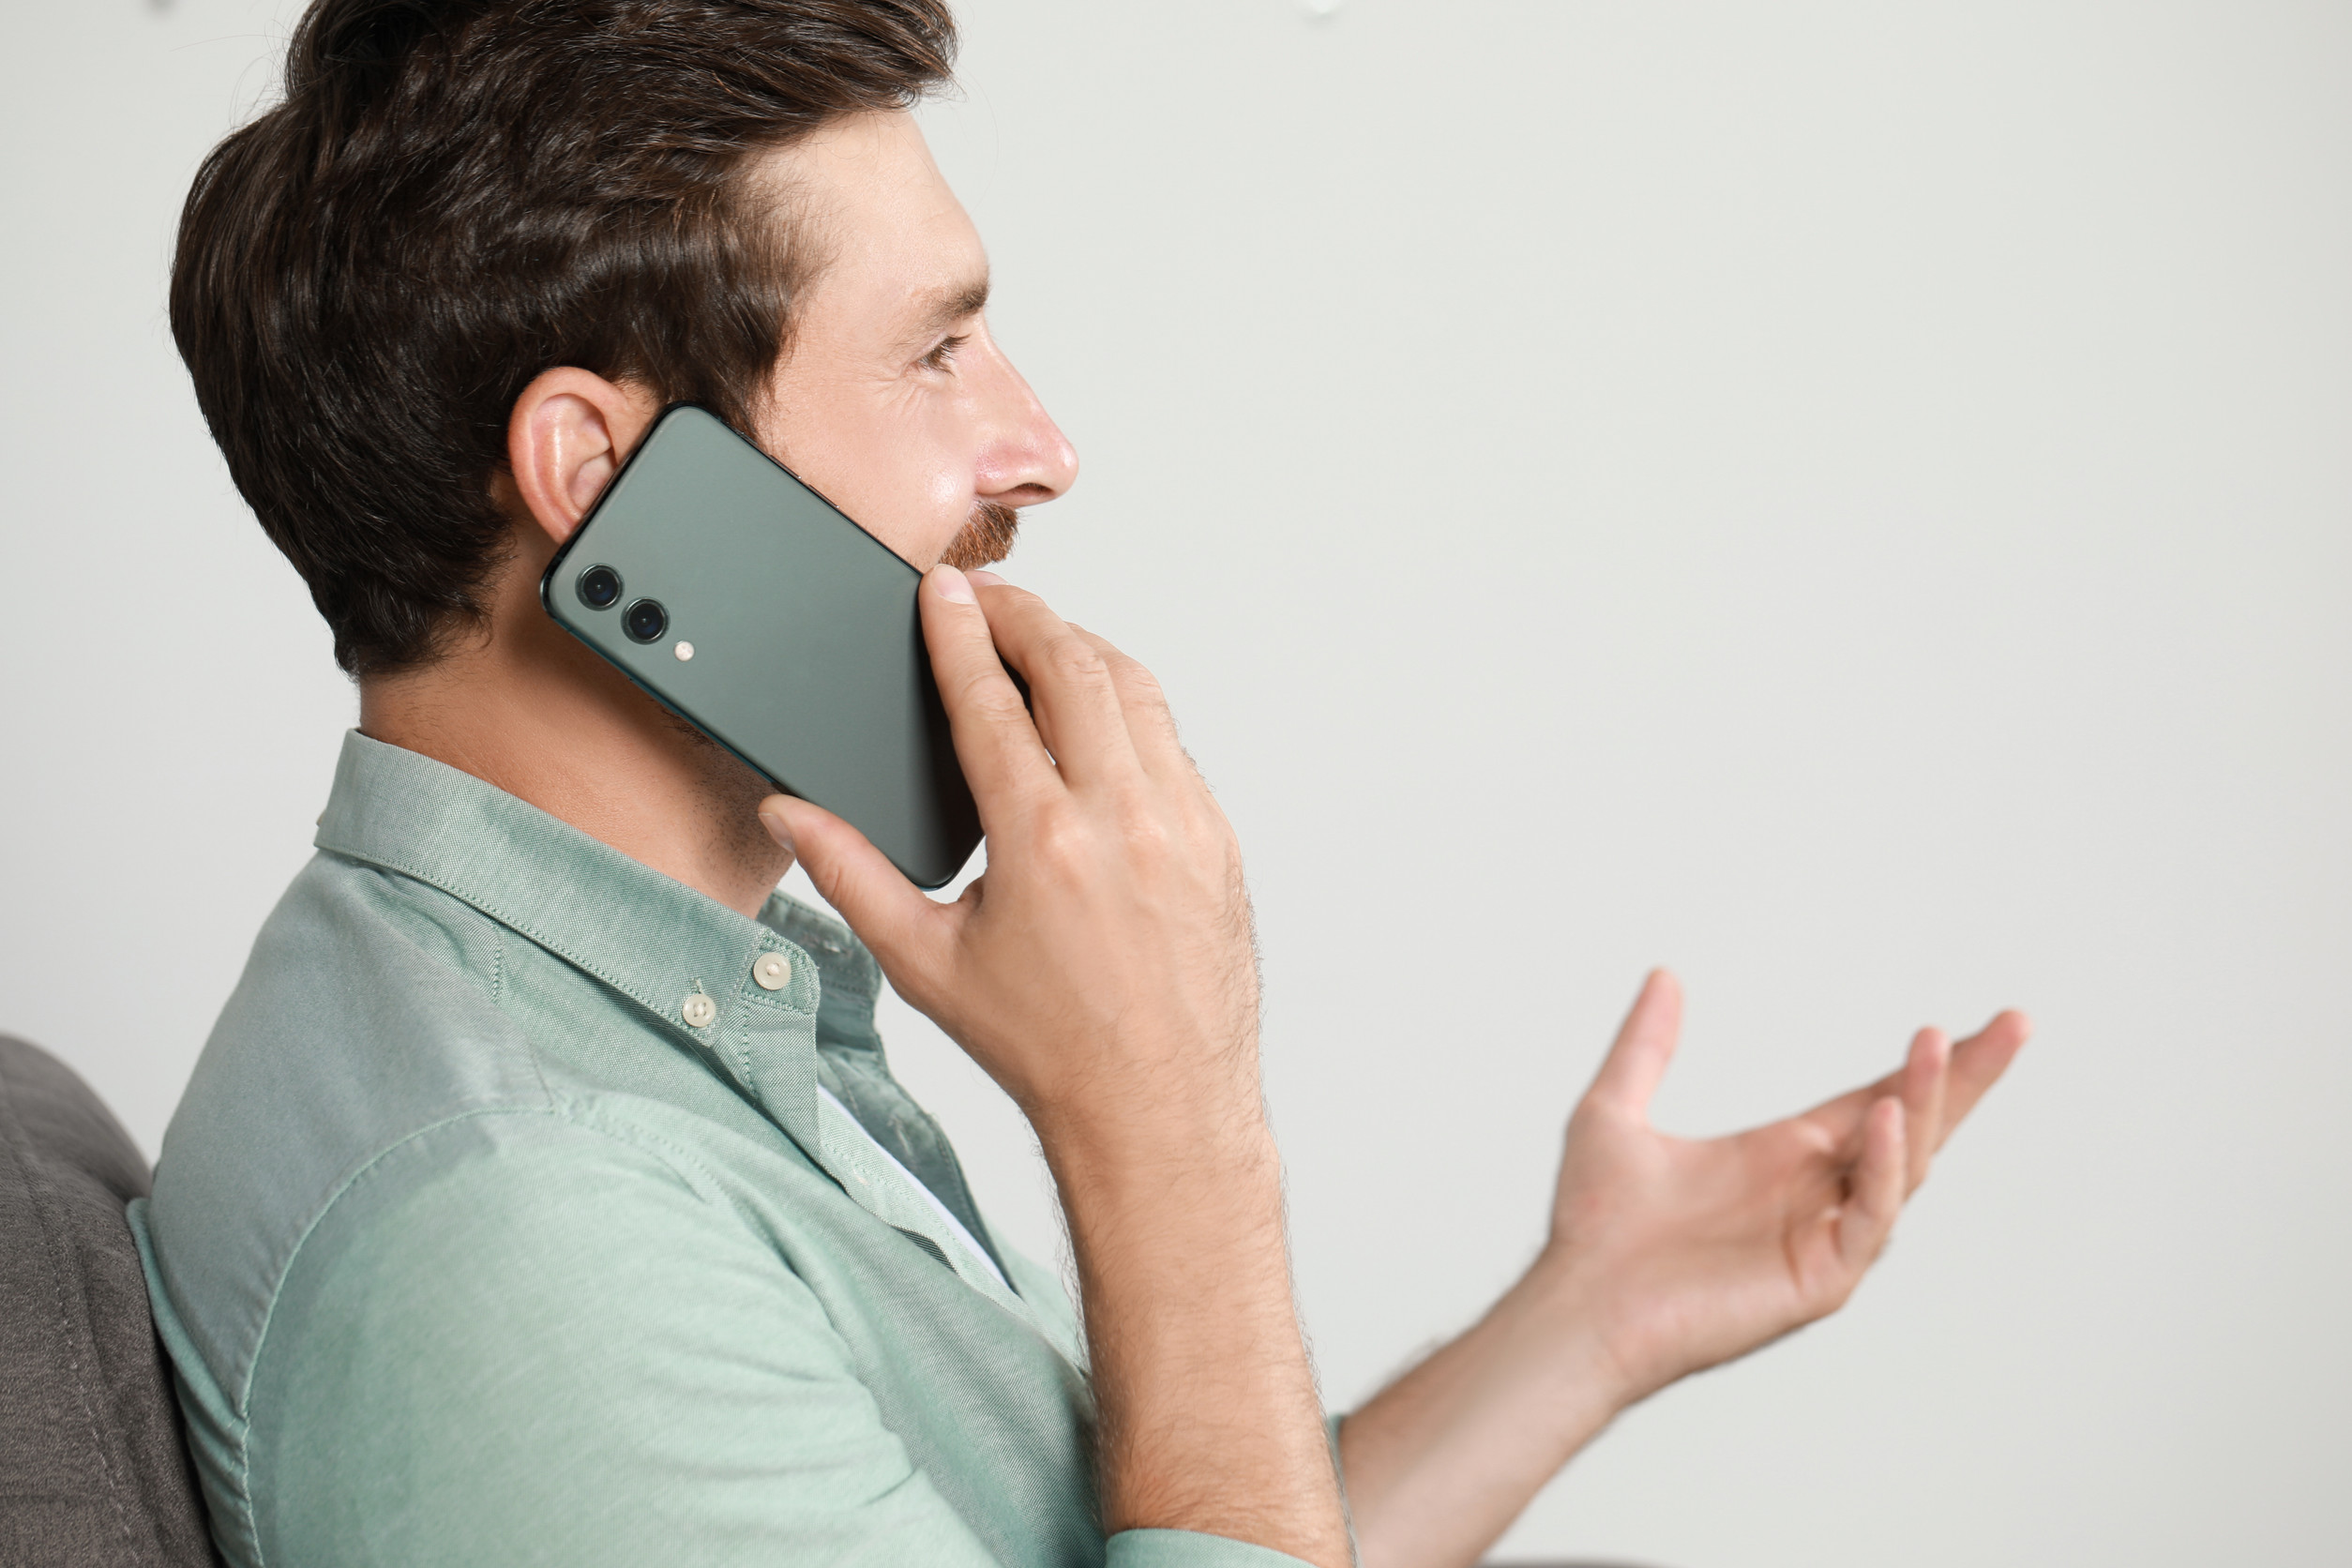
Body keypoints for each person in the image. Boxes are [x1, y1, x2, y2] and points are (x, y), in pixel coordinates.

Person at [137, 3, 2028, 1566]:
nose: (1038, 445)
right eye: (937, 346)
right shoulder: (520, 1239)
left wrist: (1589, 1316)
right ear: (601, 474)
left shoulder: (642, 1029)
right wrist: (1172, 1124)